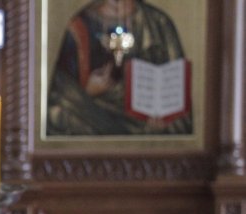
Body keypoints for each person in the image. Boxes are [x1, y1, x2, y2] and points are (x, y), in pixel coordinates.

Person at [46, 0, 191, 136]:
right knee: (59, 113)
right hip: (93, 115)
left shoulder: (158, 23)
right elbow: (59, 92)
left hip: (145, 118)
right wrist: (87, 91)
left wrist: (163, 115)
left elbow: (176, 89)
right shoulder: (79, 25)